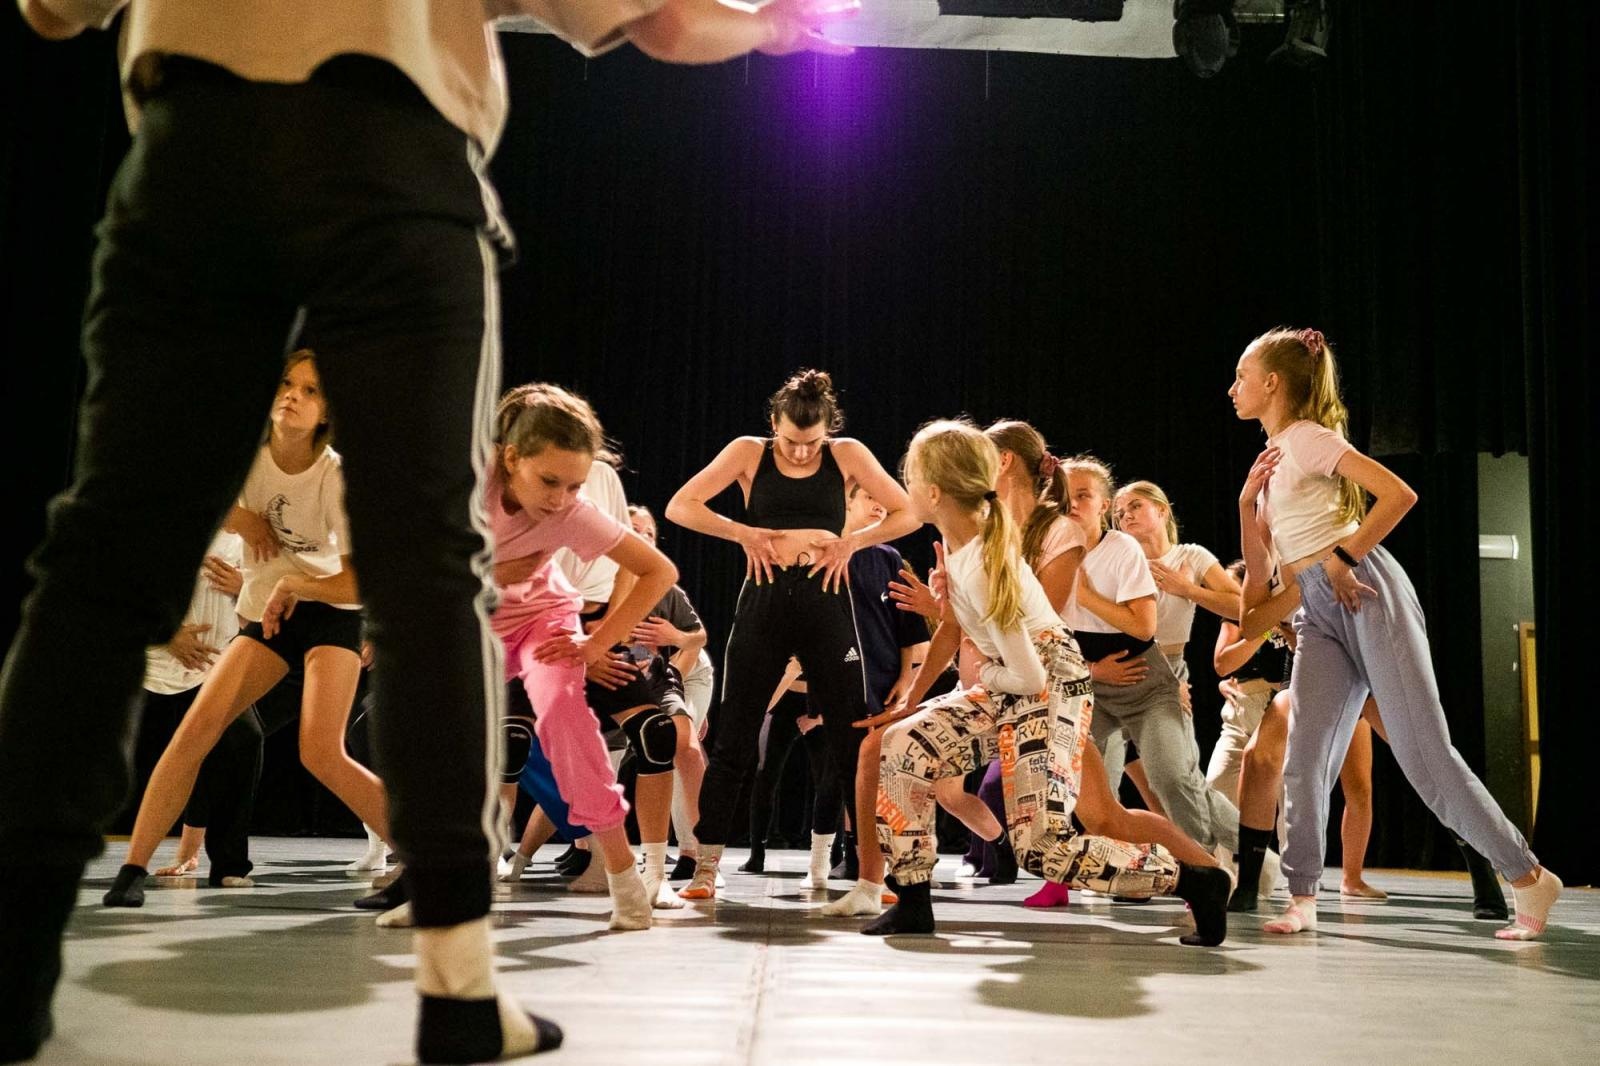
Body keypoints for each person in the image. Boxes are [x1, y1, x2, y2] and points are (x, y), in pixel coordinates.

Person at [2, 2, 860, 1060]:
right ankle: (457, 982)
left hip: (199, 139)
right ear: (517, 462)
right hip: (395, 163)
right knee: (428, 575)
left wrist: (593, 641)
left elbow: (51, 9)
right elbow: (665, 21)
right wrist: (771, 29)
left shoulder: (580, 511)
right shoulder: (519, 480)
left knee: (104, 557)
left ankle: (9, 965)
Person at [1230, 326, 1559, 938]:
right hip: (1314, 609)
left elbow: (1397, 494)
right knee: (1304, 760)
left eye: (1241, 377)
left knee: (1423, 753)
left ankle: (1528, 876)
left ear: (1272, 383)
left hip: (1365, 592)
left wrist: (1342, 559)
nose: (1232, 389)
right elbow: (1259, 587)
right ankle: (1303, 896)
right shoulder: (1271, 464)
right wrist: (1248, 506)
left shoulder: (1308, 439)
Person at [866, 419, 1231, 942]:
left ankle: (1192, 880)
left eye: (909, 475)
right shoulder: (967, 547)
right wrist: (922, 695)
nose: (902, 487)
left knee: (1044, 847)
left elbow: (1028, 673)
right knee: (903, 745)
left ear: (933, 491)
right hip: (1014, 681)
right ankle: (913, 903)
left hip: (1047, 683)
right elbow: (965, 635)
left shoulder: (985, 565)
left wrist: (977, 671)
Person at [105, 351, 383, 908]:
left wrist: (297, 586)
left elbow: (359, 583)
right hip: (266, 617)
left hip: (329, 610)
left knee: (321, 751)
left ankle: (439, 864)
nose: (293, 396)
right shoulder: (246, 459)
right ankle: (133, 868)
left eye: (310, 390)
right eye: (286, 383)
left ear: (327, 410)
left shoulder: (335, 476)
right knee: (195, 731)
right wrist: (240, 517)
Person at [665, 369, 920, 901]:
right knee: (736, 734)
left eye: (811, 443)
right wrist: (743, 532)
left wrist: (854, 542)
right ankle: (707, 868)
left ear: (828, 430)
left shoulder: (846, 454)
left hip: (827, 604)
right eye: (790, 441)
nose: (801, 454)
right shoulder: (747, 453)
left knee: (852, 737)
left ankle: (876, 871)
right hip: (765, 602)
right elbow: (680, 506)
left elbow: (909, 512)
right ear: (773, 425)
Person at [134, 531, 265, 887]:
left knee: (243, 741)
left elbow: (265, 602)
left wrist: (244, 586)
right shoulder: (161, 525)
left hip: (215, 664)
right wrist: (167, 633)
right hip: (151, 663)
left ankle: (229, 864)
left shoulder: (245, 538)